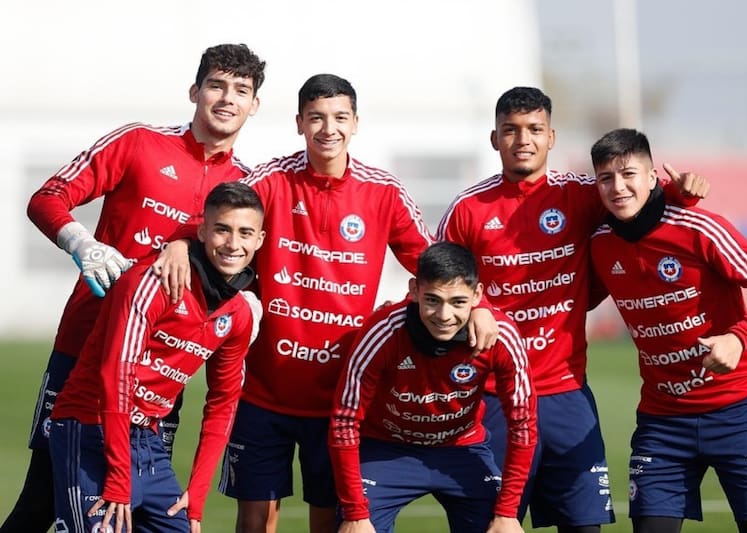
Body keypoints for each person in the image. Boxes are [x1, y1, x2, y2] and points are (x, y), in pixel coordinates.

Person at [156, 73, 499, 533]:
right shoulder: (271, 180)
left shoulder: (383, 192)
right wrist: (179, 243)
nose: (328, 129)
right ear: (299, 123)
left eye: (339, 117)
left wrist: (480, 306)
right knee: (255, 520)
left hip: (338, 398)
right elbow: (216, 216)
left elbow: (435, 263)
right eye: (316, 118)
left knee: (329, 520)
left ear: (356, 123)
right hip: (262, 391)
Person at [2, 43, 266, 533]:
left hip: (161, 368)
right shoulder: (139, 143)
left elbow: (247, 258)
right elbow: (47, 198)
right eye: (216, 85)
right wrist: (82, 243)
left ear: (254, 105)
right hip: (84, 349)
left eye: (241, 91)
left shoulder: (246, 185)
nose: (227, 99)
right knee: (41, 500)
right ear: (195, 91)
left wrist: (189, 247)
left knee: (136, 510)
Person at [436, 87, 710, 532]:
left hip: (566, 391)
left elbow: (637, 208)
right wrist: (479, 303)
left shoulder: (583, 194)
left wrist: (679, 195)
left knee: (584, 526)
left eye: (534, 129)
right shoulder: (468, 209)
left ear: (552, 137)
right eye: (511, 130)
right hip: (492, 397)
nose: (523, 139)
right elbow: (441, 280)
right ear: (494, 139)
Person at [588, 128, 747, 533]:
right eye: (606, 178)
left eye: (629, 174)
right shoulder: (600, 243)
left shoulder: (699, 228)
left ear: (651, 178)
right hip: (663, 422)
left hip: (740, 412)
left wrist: (738, 338)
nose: (618, 187)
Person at [48, 181, 265, 532]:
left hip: (147, 443)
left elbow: (223, 403)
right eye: (222, 230)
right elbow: (116, 374)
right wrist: (118, 479)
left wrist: (196, 495)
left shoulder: (238, 314)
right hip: (89, 428)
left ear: (259, 240)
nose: (233, 244)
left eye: (245, 233)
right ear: (203, 230)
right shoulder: (153, 282)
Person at [329, 241, 536, 533]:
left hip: (463, 449)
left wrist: (507, 513)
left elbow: (523, 424)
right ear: (414, 290)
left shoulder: (500, 337)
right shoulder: (383, 332)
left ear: (477, 295)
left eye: (458, 302)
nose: (444, 315)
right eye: (433, 300)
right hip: (386, 450)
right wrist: (355, 514)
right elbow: (345, 421)